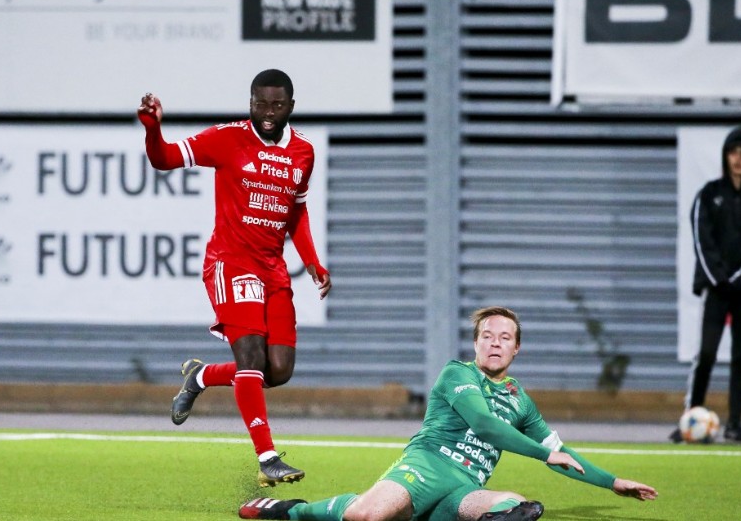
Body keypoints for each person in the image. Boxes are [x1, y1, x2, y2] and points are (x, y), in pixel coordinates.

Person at [239, 306, 658, 521]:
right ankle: (292, 510)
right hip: (427, 467)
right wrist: (544, 454)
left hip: (465, 487)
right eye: (487, 336)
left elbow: (561, 453)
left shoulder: (520, 399)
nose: (495, 343)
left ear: (517, 349)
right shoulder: (458, 373)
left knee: (516, 508)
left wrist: (613, 482)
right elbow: (485, 425)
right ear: (476, 344)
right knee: (367, 515)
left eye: (505, 337)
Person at [137, 69, 332, 486]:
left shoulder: (303, 151)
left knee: (278, 371)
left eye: (277, 105)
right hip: (231, 262)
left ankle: (200, 376)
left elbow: (296, 212)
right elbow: (163, 158)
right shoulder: (227, 138)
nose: (268, 112)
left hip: (273, 269)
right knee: (251, 359)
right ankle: (268, 458)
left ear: (290, 107)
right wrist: (153, 129)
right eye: (260, 104)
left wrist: (313, 261)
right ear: (250, 103)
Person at [671, 126, 741, 445]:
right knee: (705, 354)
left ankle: (735, 425)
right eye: (733, 152)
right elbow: (702, 242)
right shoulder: (708, 195)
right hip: (716, 290)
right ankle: (690, 418)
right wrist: (720, 279)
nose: (738, 159)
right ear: (725, 156)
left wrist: (740, 280)